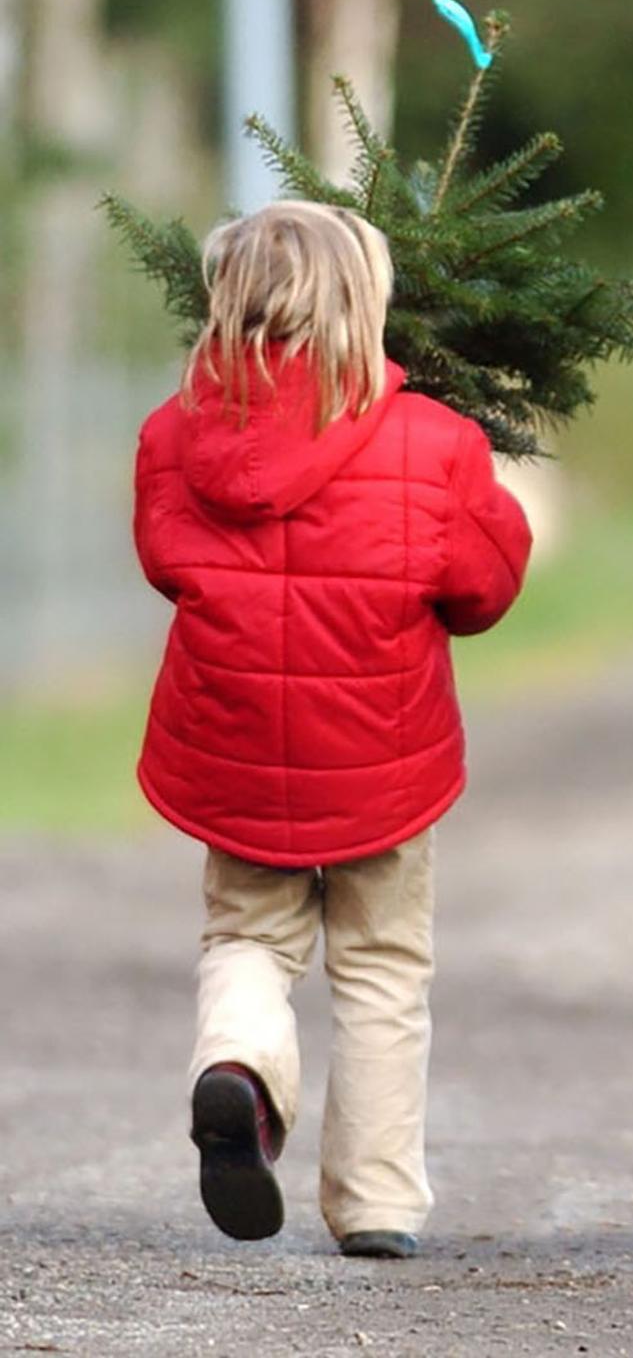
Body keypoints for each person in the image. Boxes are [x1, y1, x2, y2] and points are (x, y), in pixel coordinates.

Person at [132, 201, 532, 1258]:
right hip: (381, 763)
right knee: (382, 969)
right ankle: (377, 1202)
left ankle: (240, 1075)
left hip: (236, 754)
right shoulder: (435, 442)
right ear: (367, 303)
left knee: (247, 940)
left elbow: (167, 565)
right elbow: (484, 590)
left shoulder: (172, 437)